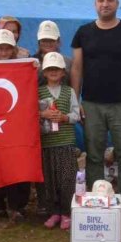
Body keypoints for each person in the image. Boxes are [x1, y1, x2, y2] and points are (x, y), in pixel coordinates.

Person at [70, 0, 121, 225]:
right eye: (101, 0)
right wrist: (76, 100)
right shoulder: (83, 32)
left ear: (117, 3)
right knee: (93, 155)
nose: (105, 4)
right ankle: (95, 200)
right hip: (92, 104)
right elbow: (77, 68)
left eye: (110, 0)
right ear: (95, 4)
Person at [0, 28, 32, 224]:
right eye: (0, 48)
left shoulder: (23, 68)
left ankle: (16, 207)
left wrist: (31, 68)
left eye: (7, 49)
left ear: (13, 50)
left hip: (15, 124)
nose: (4, 53)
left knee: (16, 162)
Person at [37, 52, 81, 230]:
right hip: (46, 144)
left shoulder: (69, 91)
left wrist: (64, 117)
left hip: (65, 143)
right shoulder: (38, 92)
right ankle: (53, 212)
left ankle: (66, 213)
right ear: (44, 73)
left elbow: (76, 114)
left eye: (57, 69)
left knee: (66, 179)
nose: (53, 72)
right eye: (50, 69)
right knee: (49, 181)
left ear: (63, 72)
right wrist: (43, 114)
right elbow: (31, 113)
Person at [33, 20, 72, 86]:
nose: (48, 43)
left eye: (51, 40)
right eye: (44, 40)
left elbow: (72, 88)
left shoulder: (68, 63)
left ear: (59, 41)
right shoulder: (31, 62)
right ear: (39, 42)